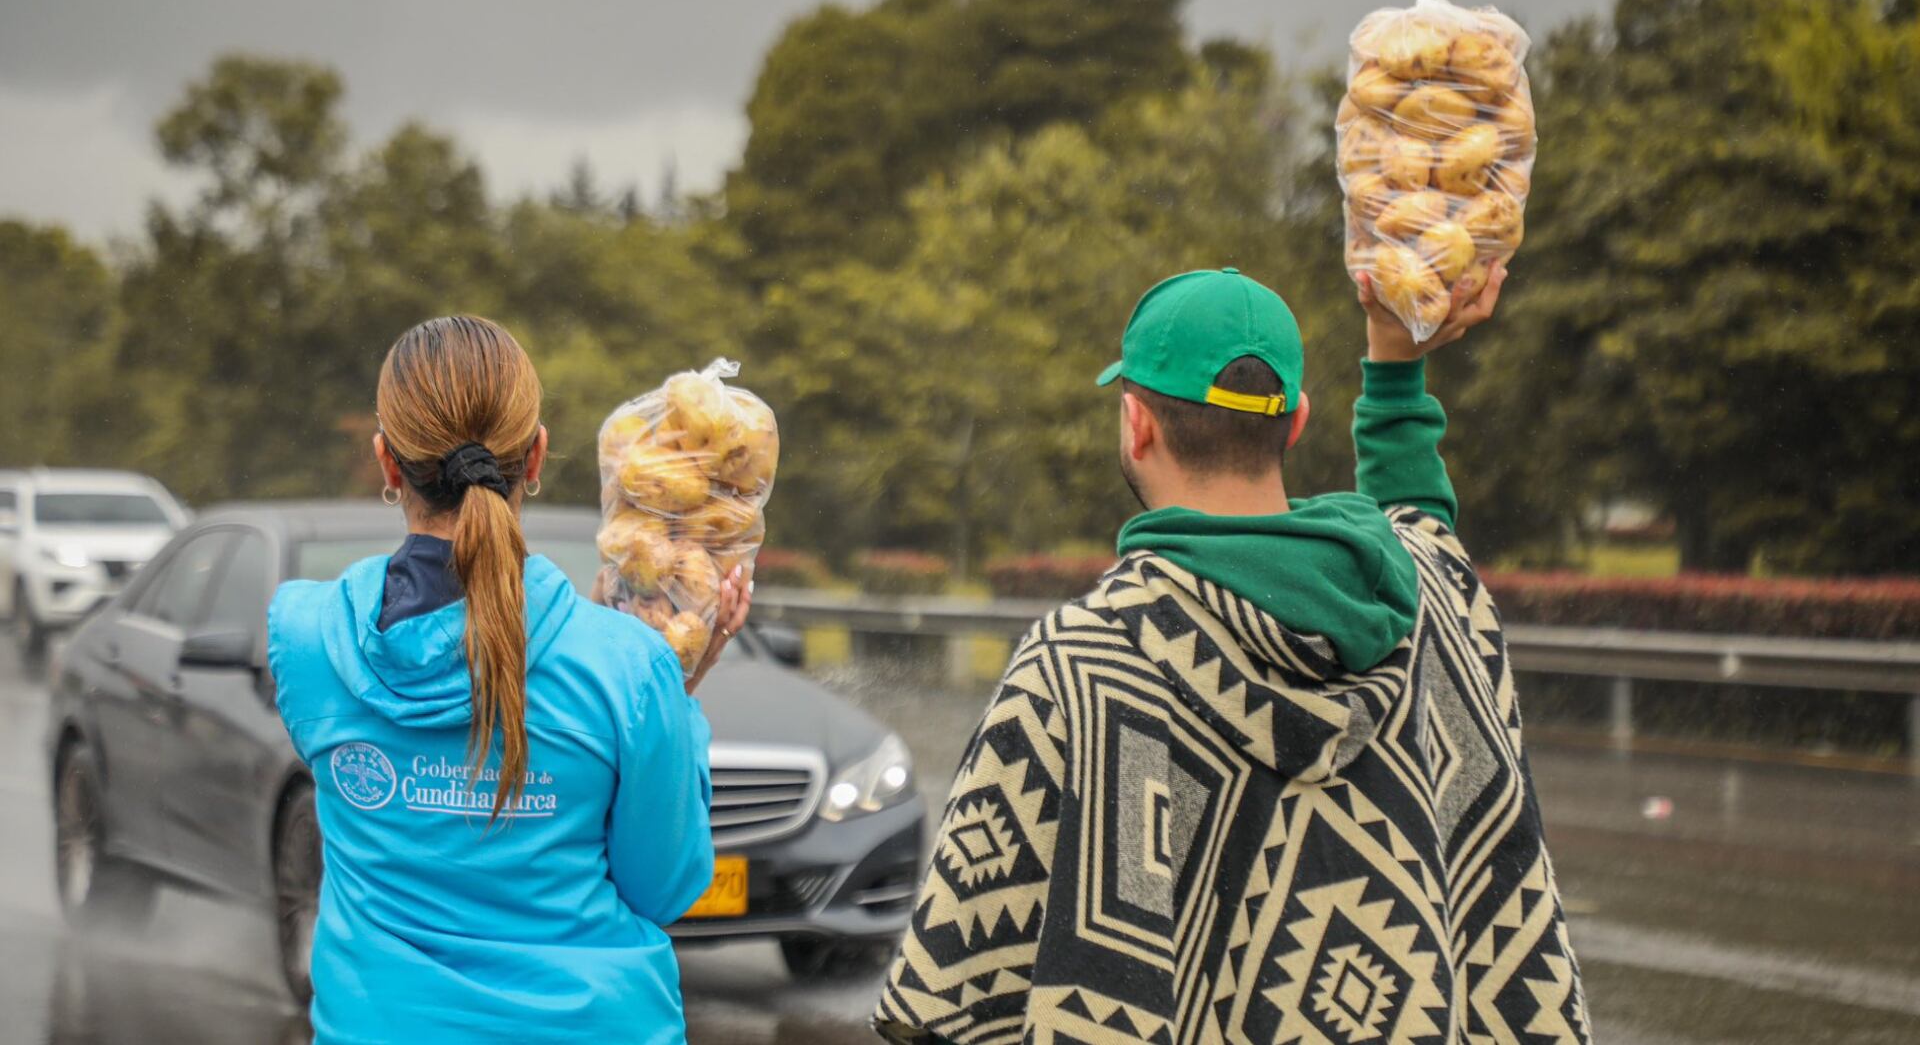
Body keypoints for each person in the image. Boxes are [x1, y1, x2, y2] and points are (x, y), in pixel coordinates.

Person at [874, 266, 1591, 1044]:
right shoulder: (1425, 607)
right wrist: (1394, 362)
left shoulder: (1081, 664)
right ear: (1295, 422)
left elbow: (956, 994)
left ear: (1135, 423)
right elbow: (1418, 517)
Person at [268, 316, 748, 1044]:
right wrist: (676, 688)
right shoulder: (627, 665)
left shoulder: (306, 640)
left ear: (387, 465)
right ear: (537, 457)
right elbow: (665, 887)